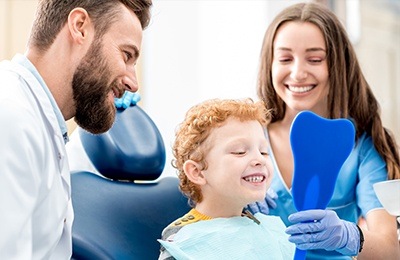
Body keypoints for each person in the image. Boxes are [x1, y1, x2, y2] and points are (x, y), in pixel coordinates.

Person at [0, 0, 152, 259]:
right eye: (126, 55)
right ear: (80, 27)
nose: (133, 82)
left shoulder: (41, 123)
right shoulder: (11, 117)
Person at [250, 2, 400, 259]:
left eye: (315, 59)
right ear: (270, 65)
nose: (297, 73)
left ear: (338, 65)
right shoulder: (247, 138)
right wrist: (232, 203)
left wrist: (349, 237)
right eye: (285, 58)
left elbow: (390, 249)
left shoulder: (362, 148)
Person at [158, 98, 295, 260]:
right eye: (240, 151)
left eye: (264, 151)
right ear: (197, 172)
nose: (260, 159)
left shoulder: (268, 229)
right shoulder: (185, 240)